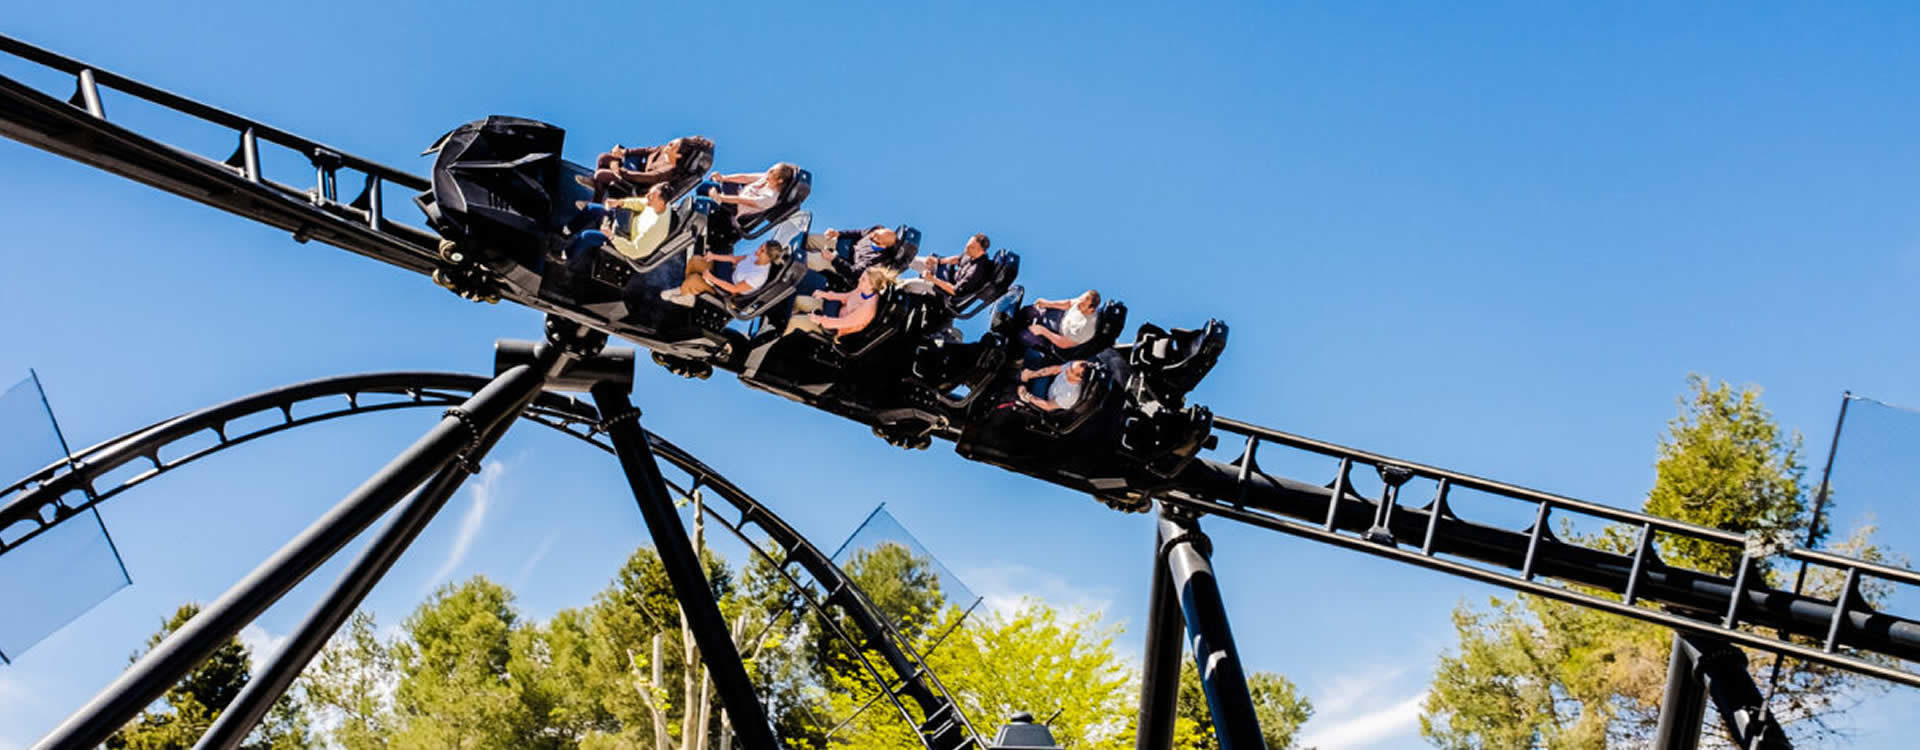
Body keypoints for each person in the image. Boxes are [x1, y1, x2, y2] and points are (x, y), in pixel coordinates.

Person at [565, 183, 675, 274]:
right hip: (626, 222)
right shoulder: (658, 203)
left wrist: (612, 237)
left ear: (661, 202)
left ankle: (565, 255)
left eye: (651, 196)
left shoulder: (655, 229)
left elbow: (635, 251)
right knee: (592, 208)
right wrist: (620, 203)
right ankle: (567, 230)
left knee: (587, 236)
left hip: (625, 241)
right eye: (649, 193)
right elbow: (641, 203)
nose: (647, 197)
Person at [580, 136, 712, 201]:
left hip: (637, 184)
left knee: (601, 175)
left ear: (678, 155)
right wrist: (624, 152)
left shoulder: (669, 172)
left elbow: (644, 178)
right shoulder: (663, 150)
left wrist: (617, 167)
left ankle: (596, 201)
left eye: (673, 146)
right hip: (637, 170)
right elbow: (646, 151)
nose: (669, 144)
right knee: (603, 158)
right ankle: (600, 188)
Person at [661, 239, 781, 306]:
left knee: (694, 280)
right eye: (761, 246)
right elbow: (734, 259)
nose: (758, 249)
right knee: (696, 261)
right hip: (728, 272)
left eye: (762, 250)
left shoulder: (759, 276)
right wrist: (713, 256)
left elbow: (734, 289)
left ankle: (687, 291)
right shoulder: (756, 257)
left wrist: (712, 278)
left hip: (728, 288)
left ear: (768, 257)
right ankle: (687, 292)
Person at [785, 266, 896, 337]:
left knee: (795, 321)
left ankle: (776, 338)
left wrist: (819, 320)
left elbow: (841, 323)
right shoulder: (862, 289)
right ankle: (783, 320)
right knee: (798, 300)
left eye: (863, 279)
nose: (859, 280)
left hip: (835, 326)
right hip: (833, 310)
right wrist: (824, 295)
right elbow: (845, 297)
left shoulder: (867, 309)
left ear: (871, 285)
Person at [902, 233, 994, 300]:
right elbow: (958, 259)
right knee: (911, 260)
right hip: (948, 275)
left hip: (947, 291)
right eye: (967, 246)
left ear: (982, 251)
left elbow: (955, 291)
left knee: (906, 285)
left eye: (971, 248)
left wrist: (932, 279)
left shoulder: (976, 271)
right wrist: (938, 261)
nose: (966, 249)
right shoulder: (970, 253)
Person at [702, 163, 797, 228]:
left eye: (773, 171)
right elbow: (745, 177)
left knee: (704, 194)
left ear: (780, 180)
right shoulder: (767, 177)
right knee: (706, 186)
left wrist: (719, 197)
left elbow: (741, 200)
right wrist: (723, 178)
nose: (769, 171)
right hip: (734, 194)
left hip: (734, 208)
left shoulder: (770, 198)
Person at [805, 224, 900, 280]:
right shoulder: (876, 229)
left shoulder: (876, 259)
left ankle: (792, 257)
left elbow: (854, 272)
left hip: (841, 262)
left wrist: (833, 259)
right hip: (842, 244)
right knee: (811, 239)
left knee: (816, 260)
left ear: (883, 245)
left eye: (877, 238)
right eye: (877, 233)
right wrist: (838, 233)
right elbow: (858, 233)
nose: (873, 236)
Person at [1019, 289, 1102, 353]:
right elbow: (1069, 304)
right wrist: (1047, 303)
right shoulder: (1082, 301)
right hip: (1059, 318)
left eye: (1082, 305)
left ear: (1091, 310)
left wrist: (1042, 331)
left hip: (1057, 338)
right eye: (1080, 299)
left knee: (1025, 336)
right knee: (1028, 311)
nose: (1078, 304)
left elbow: (1064, 343)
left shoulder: (1086, 328)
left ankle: (1015, 362)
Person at [1014, 360, 1094, 412]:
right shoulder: (1074, 365)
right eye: (1070, 366)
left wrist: (1026, 395)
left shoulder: (1070, 395)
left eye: (1071, 371)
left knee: (1012, 393)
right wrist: (1030, 375)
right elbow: (1054, 370)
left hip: (1044, 399)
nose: (1067, 369)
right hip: (1049, 384)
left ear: (1078, 379)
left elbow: (1048, 406)